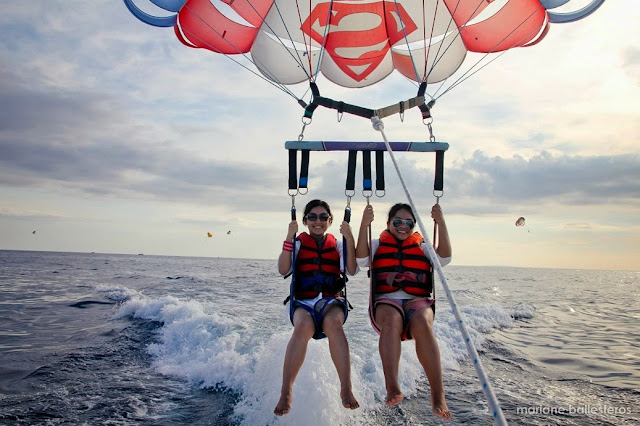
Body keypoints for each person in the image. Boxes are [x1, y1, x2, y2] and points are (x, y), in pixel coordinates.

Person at [356, 202, 452, 420]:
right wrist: (364, 224)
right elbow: (361, 260)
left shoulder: (422, 246)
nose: (403, 226)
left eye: (408, 223)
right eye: (397, 222)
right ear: (388, 223)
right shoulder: (377, 244)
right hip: (386, 302)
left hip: (418, 301)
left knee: (423, 325)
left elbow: (443, 259)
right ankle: (392, 386)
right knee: (391, 321)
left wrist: (441, 222)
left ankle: (438, 394)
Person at [274, 199, 360, 416]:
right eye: (312, 217)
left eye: (323, 217)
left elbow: (351, 270)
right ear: (305, 221)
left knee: (333, 324)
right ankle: (286, 391)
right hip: (303, 302)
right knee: (302, 325)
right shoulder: (298, 243)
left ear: (330, 221)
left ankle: (345, 387)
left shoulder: (338, 245)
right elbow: (283, 268)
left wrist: (349, 236)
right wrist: (288, 236)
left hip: (331, 302)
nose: (318, 221)